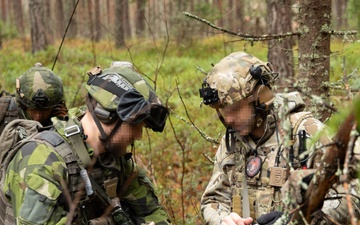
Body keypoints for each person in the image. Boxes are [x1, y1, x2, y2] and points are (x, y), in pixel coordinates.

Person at [199, 52, 360, 225]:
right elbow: (213, 199)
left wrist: (295, 221)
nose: (228, 119)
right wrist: (223, 220)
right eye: (223, 111)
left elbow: (352, 195)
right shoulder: (232, 141)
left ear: (260, 98)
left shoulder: (306, 133)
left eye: (235, 109)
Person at [2, 61, 172, 224]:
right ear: (105, 114)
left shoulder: (115, 159)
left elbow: (151, 211)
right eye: (134, 126)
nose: (139, 135)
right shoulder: (43, 161)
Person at [0, 63, 68, 134]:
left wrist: (63, 123)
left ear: (55, 107)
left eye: (44, 111)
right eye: (33, 111)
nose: (38, 117)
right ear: (23, 106)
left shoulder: (59, 117)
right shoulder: (3, 109)